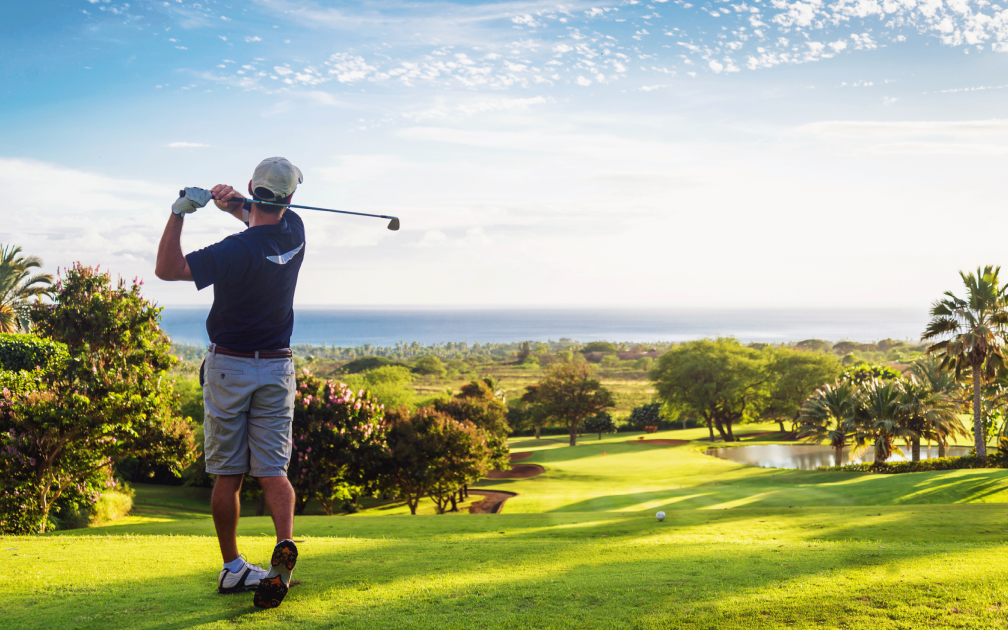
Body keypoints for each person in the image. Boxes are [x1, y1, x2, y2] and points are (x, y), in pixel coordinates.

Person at [154, 157, 306, 609]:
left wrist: (180, 210)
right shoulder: (296, 231)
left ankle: (234, 569)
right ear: (291, 198)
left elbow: (168, 268)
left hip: (230, 368)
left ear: (251, 187)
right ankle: (283, 549)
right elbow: (258, 215)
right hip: (277, 367)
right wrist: (232, 205)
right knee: (273, 471)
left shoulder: (232, 252)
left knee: (229, 474)